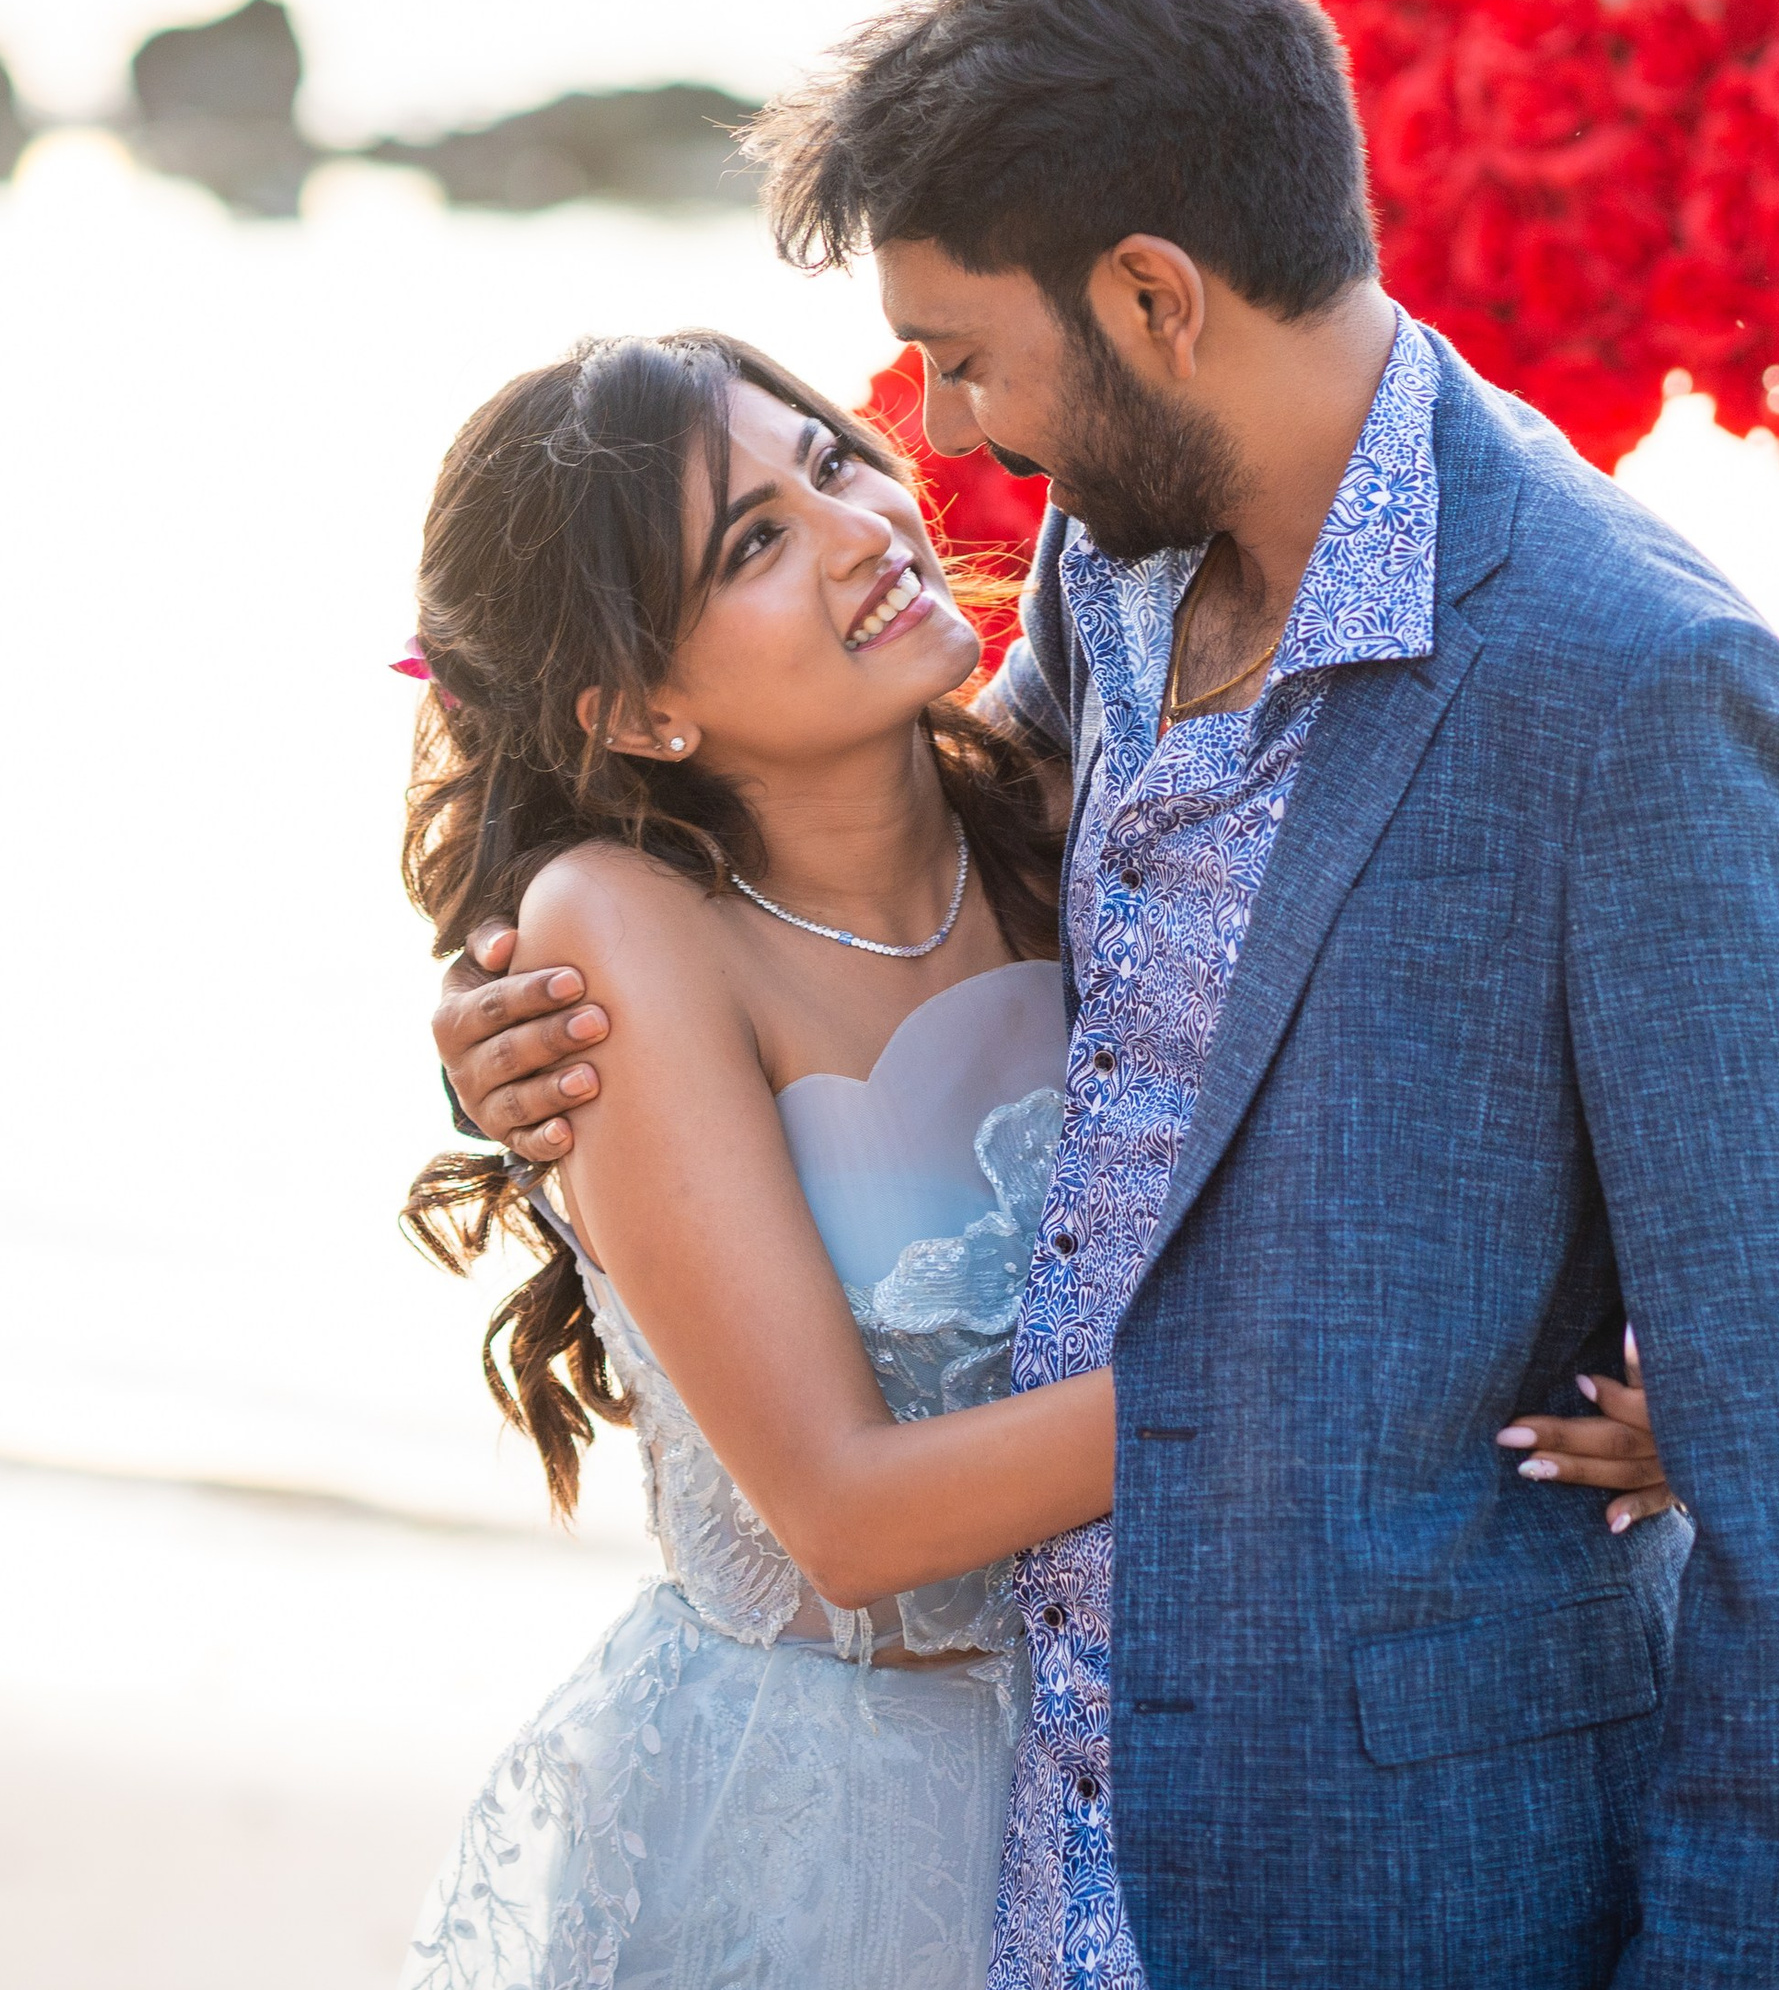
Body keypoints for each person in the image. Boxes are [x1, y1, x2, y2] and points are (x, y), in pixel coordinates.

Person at [443, 0, 1779, 1989]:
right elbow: (911, 909)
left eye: (967, 358)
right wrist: (521, 1026)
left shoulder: (1635, 689)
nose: (946, 437)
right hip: (999, 1849)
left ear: (1151, 297)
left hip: (1397, 1883)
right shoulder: (1114, 569)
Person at [397, 329, 1666, 1990]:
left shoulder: (1084, 826)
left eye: (834, 459)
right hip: (830, 1836)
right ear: (637, 711)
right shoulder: (615, 934)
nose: (863, 527)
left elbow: (1437, 1096)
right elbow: (848, 1519)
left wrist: (1638, 1377)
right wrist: (1385, 1379)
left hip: (1164, 1777)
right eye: (753, 542)